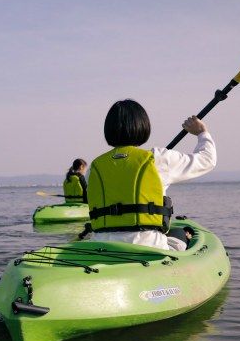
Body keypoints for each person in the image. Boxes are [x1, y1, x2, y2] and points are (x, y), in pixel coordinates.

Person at [86, 99, 216, 251]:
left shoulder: (94, 167)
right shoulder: (158, 158)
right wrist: (201, 132)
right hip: (148, 249)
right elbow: (207, 160)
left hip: (102, 247)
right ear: (143, 126)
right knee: (182, 233)